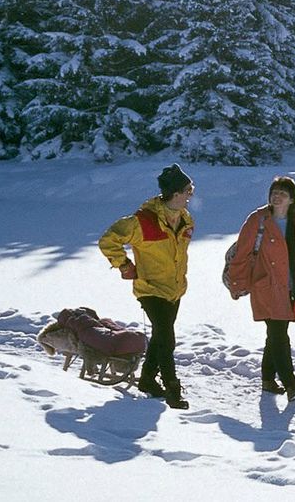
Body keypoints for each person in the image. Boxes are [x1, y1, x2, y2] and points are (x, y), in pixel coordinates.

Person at [225, 176, 295, 401]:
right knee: (279, 335)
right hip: (266, 286)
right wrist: (237, 283)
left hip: (292, 287)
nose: (276, 196)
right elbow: (242, 254)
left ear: (292, 199)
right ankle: (291, 385)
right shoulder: (258, 220)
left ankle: (267, 380)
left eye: (282, 193)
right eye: (274, 192)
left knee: (274, 335)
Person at [99, 164, 196, 409]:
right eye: (187, 190)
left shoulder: (185, 219)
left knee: (160, 336)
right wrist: (123, 265)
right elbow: (108, 240)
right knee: (167, 338)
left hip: (174, 290)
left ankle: (147, 380)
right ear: (175, 194)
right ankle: (172, 389)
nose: (190, 195)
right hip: (150, 288)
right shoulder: (142, 221)